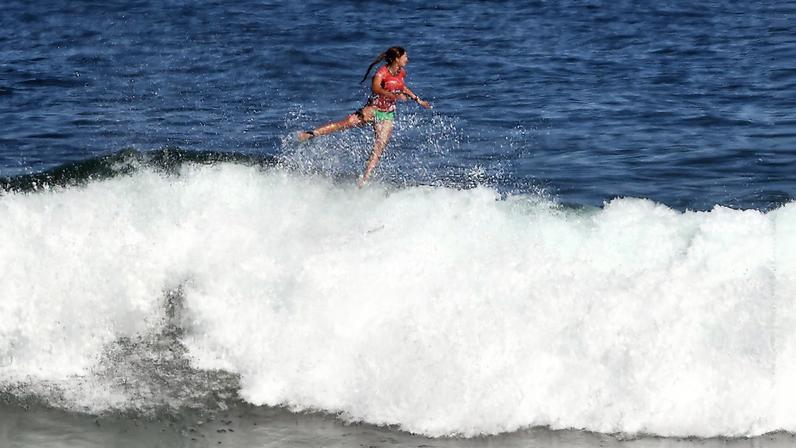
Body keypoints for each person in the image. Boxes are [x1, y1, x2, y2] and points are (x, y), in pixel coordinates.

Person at [298, 46, 432, 187]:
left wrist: (417, 99)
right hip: (372, 110)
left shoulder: (401, 72)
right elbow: (376, 88)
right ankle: (312, 133)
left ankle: (364, 179)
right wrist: (393, 95)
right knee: (345, 124)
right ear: (397, 59)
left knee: (379, 147)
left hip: (387, 115)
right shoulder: (382, 72)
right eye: (405, 57)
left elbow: (402, 86)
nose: (407, 59)